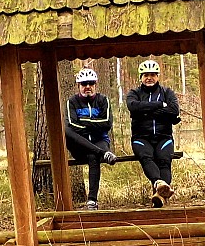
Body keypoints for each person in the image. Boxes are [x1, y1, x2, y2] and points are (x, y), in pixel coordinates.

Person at [126, 59, 181, 208]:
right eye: (146, 75)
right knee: (146, 157)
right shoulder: (134, 93)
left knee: (164, 160)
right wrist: (160, 105)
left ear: (157, 76)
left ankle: (159, 196)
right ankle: (159, 183)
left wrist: (146, 111)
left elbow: (174, 110)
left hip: (164, 137)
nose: (149, 78)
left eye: (152, 75)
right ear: (141, 77)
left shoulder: (167, 92)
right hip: (141, 138)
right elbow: (133, 107)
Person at [65, 68, 117, 210]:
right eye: (84, 84)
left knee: (93, 156)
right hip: (80, 145)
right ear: (78, 85)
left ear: (95, 84)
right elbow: (72, 125)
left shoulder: (103, 100)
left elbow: (107, 123)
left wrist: (84, 121)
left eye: (91, 83)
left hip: (100, 140)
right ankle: (103, 153)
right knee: (67, 131)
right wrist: (95, 125)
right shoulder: (72, 102)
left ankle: (92, 200)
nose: (87, 86)